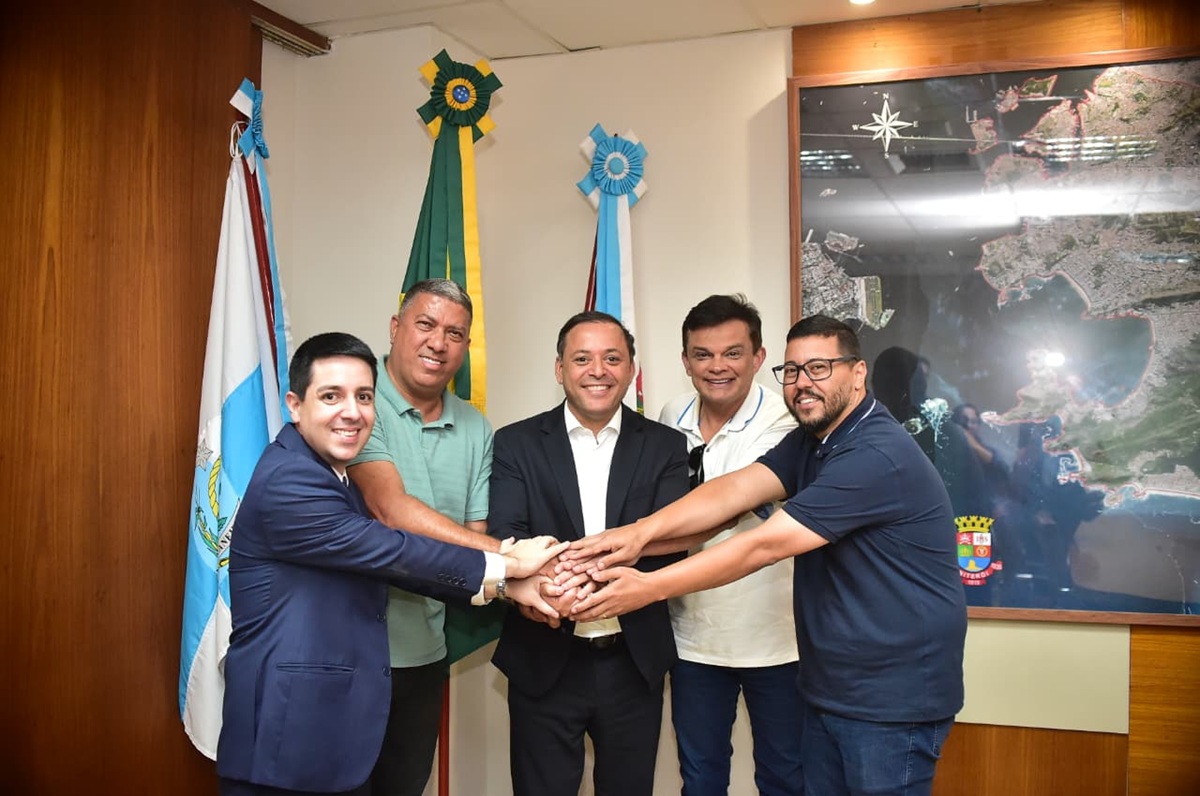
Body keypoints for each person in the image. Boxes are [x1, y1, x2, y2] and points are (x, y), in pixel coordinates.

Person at [568, 315, 968, 796]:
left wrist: (649, 587)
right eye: (792, 370)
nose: (802, 383)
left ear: (858, 372)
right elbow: (734, 490)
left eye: (819, 368)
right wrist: (637, 533)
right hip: (832, 688)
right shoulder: (814, 439)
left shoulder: (874, 453)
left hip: (892, 698)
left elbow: (764, 544)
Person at [216, 332, 566, 796]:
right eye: (331, 396)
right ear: (295, 406)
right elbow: (392, 551)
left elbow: (389, 565)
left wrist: (507, 587)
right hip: (289, 744)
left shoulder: (332, 474)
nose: (352, 412)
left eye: (363, 397)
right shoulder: (291, 479)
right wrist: (506, 560)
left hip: (330, 733)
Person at [488, 311, 689, 796]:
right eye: (582, 359)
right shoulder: (516, 443)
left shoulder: (665, 445)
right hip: (543, 656)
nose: (598, 370)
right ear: (560, 369)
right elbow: (507, 536)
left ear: (631, 369)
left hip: (633, 661)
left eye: (612, 358)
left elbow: (670, 546)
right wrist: (549, 592)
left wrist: (578, 581)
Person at [346, 279, 499, 796]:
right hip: (347, 652)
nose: (438, 343)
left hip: (424, 655)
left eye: (455, 333)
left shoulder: (477, 428)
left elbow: (473, 539)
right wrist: (509, 557)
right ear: (396, 328)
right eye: (426, 325)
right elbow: (389, 510)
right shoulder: (357, 402)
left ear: (466, 346)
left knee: (405, 786)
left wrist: (517, 574)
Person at [657, 295, 803, 796]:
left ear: (758, 357)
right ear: (686, 361)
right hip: (693, 641)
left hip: (777, 641)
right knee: (700, 779)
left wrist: (629, 545)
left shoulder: (787, 422)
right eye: (703, 354)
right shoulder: (671, 414)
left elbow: (723, 509)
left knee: (784, 778)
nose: (717, 366)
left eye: (733, 353)